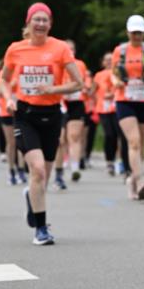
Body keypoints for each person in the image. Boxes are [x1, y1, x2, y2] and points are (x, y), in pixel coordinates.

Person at [0, 2, 82, 245]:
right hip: (25, 114)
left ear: (50, 24)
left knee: (43, 176)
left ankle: (31, 195)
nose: (41, 23)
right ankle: (41, 228)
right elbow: (4, 80)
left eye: (45, 20)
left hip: (52, 115)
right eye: (36, 19)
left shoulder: (60, 48)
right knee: (36, 169)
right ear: (28, 23)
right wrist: (8, 98)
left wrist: (53, 88)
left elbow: (78, 83)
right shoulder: (15, 49)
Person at [111, 15, 144, 200]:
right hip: (124, 100)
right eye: (134, 32)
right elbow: (113, 74)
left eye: (140, 32)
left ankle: (131, 182)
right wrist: (117, 81)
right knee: (133, 142)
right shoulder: (120, 51)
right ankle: (140, 180)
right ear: (128, 32)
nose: (137, 36)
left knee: (140, 145)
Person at [62, 39, 91, 182]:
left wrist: (81, 87)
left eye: (71, 49)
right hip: (59, 103)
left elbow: (85, 83)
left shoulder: (80, 65)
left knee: (74, 136)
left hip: (76, 103)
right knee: (60, 138)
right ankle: (59, 167)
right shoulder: (57, 63)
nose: (69, 52)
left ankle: (75, 168)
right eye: (66, 49)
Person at [93, 52, 118, 175]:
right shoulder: (98, 75)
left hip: (116, 107)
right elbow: (93, 91)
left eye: (111, 59)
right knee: (109, 134)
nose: (108, 61)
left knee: (117, 134)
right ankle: (109, 161)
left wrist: (113, 94)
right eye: (106, 60)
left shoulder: (118, 72)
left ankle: (120, 160)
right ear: (103, 62)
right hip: (102, 108)